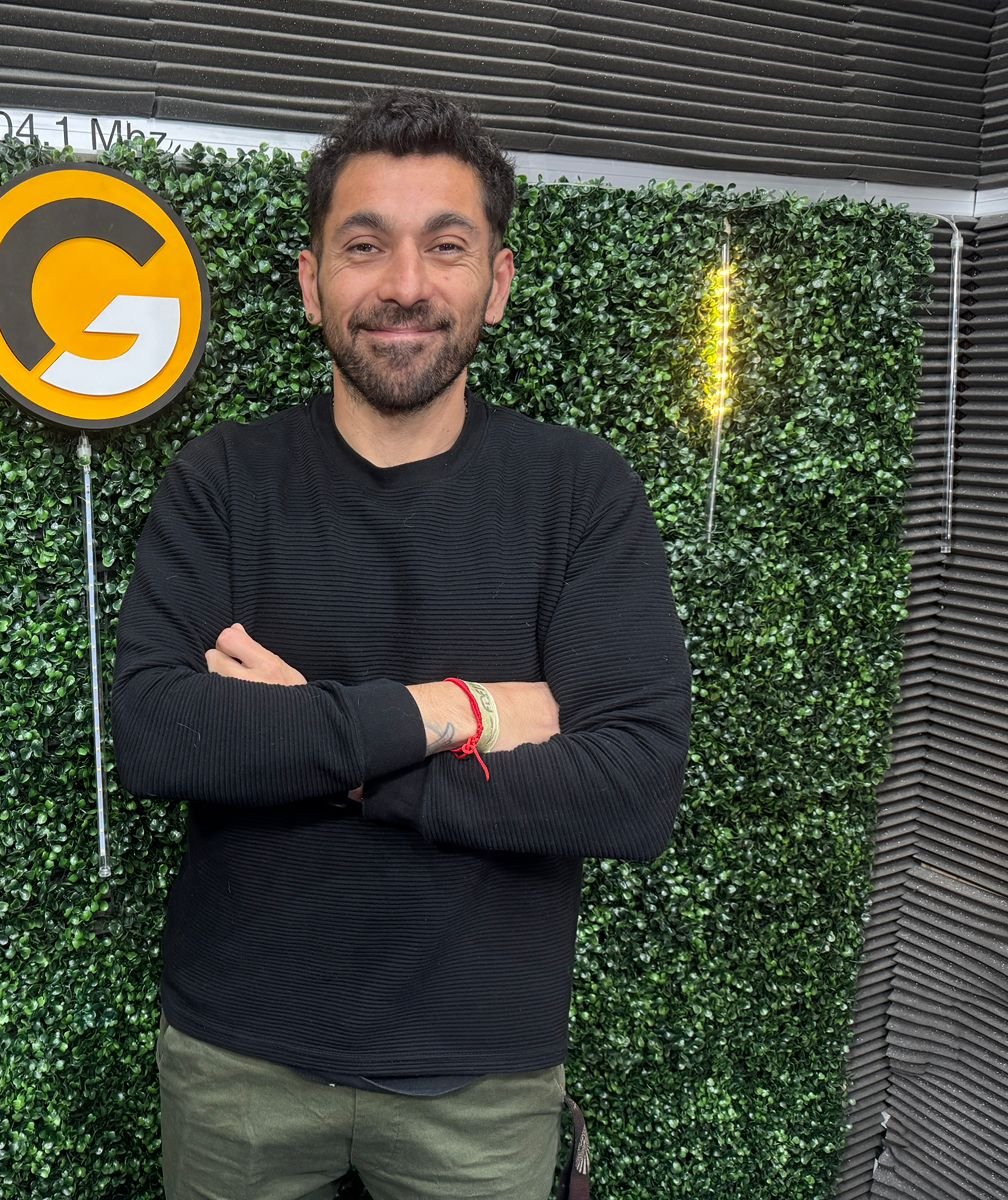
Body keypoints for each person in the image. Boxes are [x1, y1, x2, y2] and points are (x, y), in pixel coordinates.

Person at [110, 88, 691, 1200]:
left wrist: (314, 741)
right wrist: (460, 712)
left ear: (498, 284)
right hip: (237, 1067)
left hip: (481, 1081)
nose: (406, 284)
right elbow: (160, 733)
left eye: (447, 246)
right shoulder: (223, 480)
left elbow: (630, 787)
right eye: (365, 245)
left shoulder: (579, 492)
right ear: (311, 282)